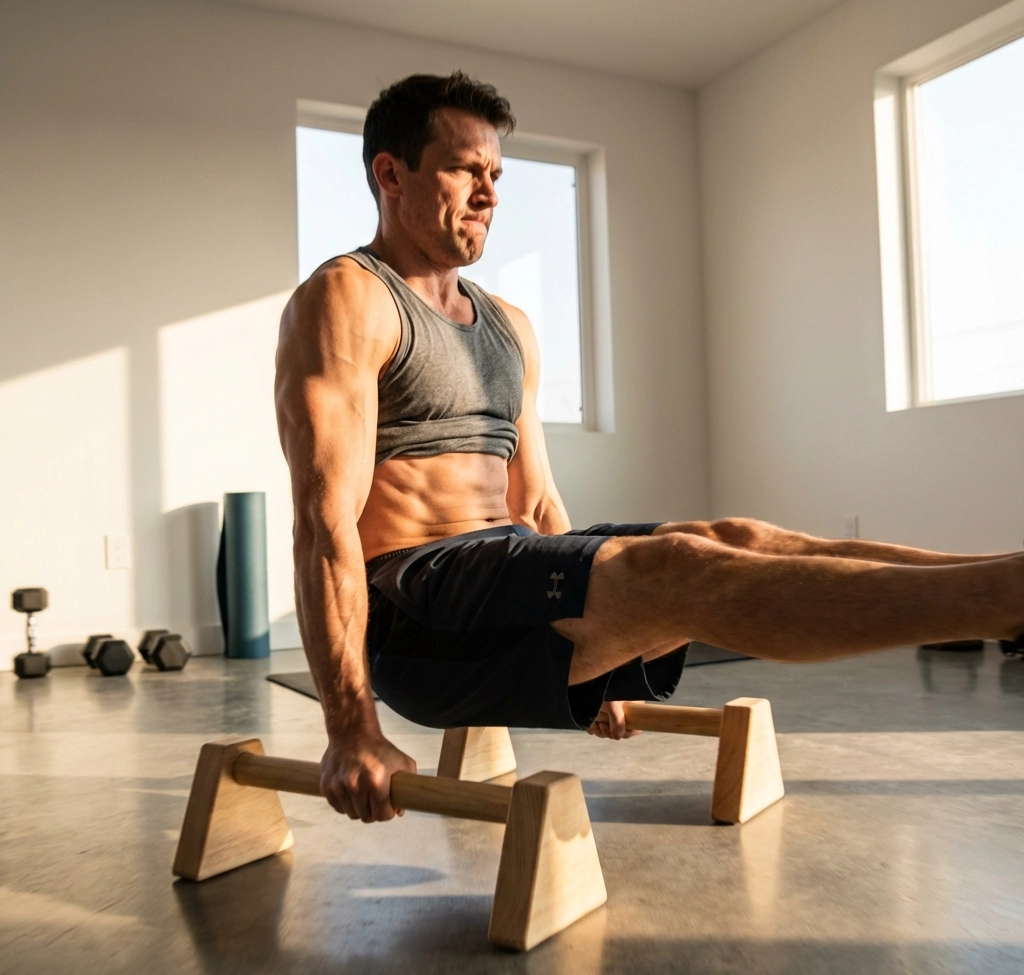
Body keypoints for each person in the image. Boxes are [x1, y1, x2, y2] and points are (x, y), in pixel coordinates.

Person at [275, 71, 1024, 824]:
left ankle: (1004, 581)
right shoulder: (350, 297)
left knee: (731, 538)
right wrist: (350, 727)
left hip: (504, 580)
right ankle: (1001, 600)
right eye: (467, 168)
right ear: (390, 174)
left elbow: (535, 503)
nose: (490, 191)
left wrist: (604, 645)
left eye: (497, 173)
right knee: (679, 569)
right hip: (419, 616)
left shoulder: (507, 325)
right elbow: (323, 523)